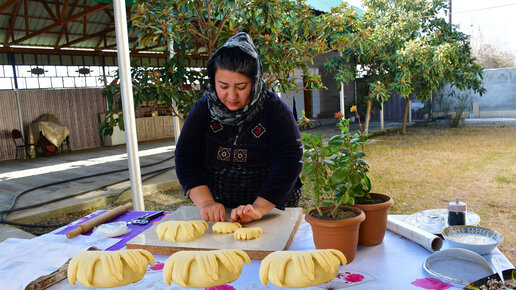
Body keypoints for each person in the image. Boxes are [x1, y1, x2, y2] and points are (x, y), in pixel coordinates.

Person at [175, 32, 302, 224]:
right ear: (213, 80)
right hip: (220, 209)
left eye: (241, 87)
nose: (232, 96)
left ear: (255, 81)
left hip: (271, 209)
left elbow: (289, 161)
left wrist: (259, 209)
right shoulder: (203, 110)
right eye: (223, 86)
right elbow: (186, 157)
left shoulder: (275, 111)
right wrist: (206, 203)